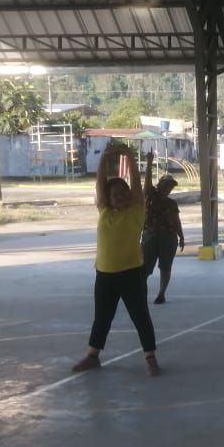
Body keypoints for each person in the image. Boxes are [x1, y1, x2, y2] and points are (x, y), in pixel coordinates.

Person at [72, 142, 160, 376]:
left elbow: (136, 183)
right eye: (114, 194)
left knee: (140, 317)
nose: (119, 196)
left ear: (129, 195)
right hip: (105, 274)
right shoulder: (104, 211)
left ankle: (150, 357)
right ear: (108, 199)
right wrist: (103, 158)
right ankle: (92, 356)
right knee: (102, 317)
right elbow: (100, 184)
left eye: (123, 192)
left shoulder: (136, 210)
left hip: (131, 274)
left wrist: (130, 156)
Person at [141, 155, 184, 304]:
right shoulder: (150, 195)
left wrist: (181, 236)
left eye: (171, 187)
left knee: (165, 267)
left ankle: (161, 294)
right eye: (166, 185)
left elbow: (177, 220)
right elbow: (147, 180)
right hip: (151, 235)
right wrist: (149, 163)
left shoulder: (172, 203)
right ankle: (140, 292)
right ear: (160, 185)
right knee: (145, 268)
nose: (169, 189)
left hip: (169, 237)